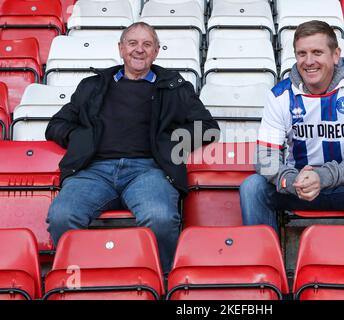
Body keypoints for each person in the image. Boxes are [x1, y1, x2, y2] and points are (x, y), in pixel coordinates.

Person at [46, 22, 220, 273]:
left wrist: (170, 141)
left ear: (157, 51)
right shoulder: (92, 86)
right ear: (121, 49)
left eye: (147, 44)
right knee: (62, 215)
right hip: (93, 171)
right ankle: (80, 280)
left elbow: (208, 127)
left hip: (149, 171)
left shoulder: (174, 87)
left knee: (160, 218)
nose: (139, 50)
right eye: (133, 43)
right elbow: (57, 125)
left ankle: (161, 280)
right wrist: (80, 137)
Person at [240, 20, 344, 230]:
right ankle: (263, 261)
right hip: (299, 186)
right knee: (252, 187)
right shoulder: (280, 95)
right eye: (302, 54)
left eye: (317, 52)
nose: (309, 61)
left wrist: (322, 177)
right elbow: (264, 157)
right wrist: (291, 179)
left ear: (336, 55)